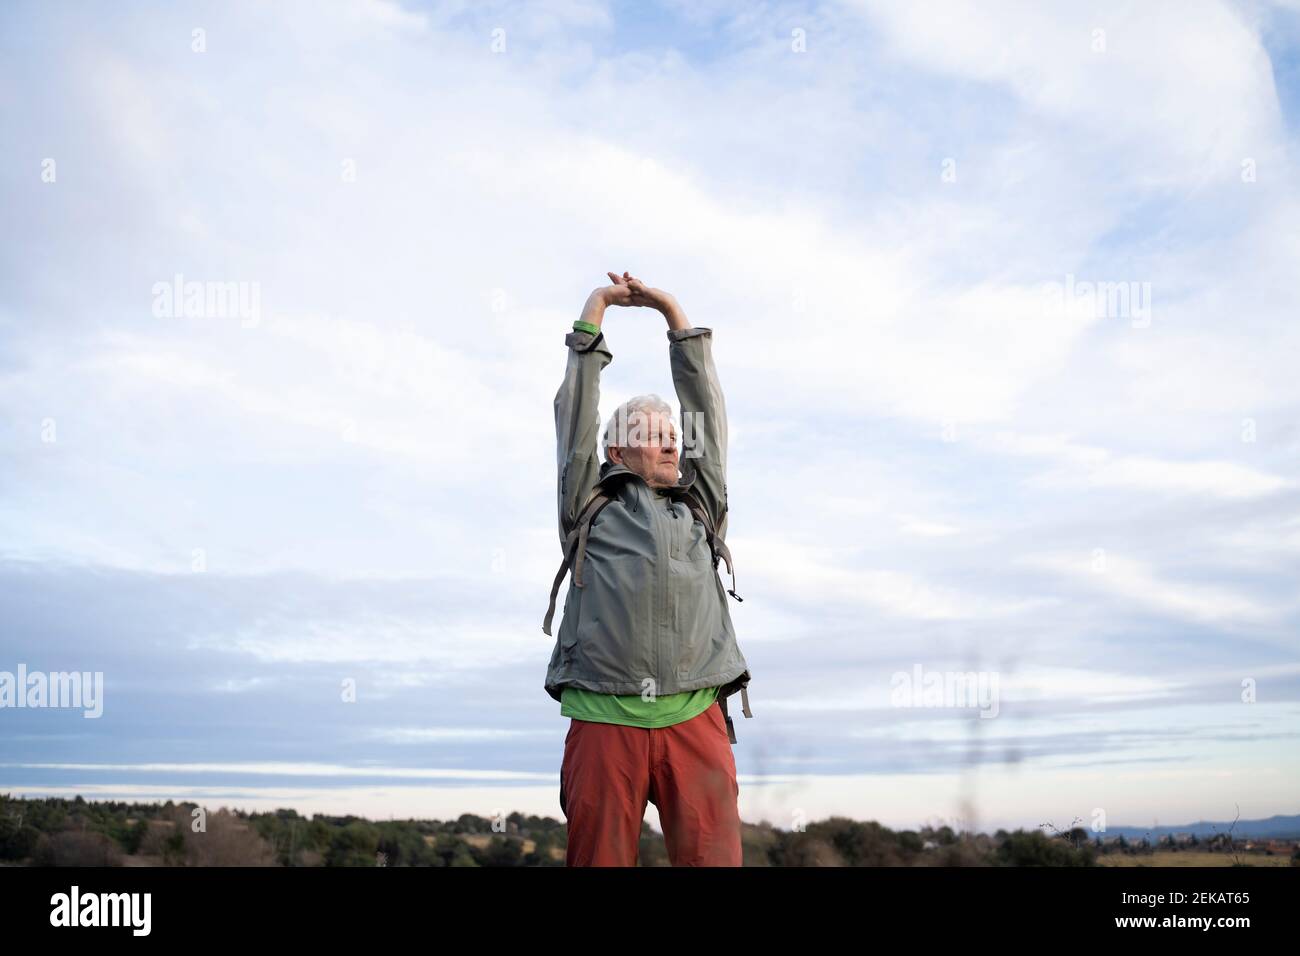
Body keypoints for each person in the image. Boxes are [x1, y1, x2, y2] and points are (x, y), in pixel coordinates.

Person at [543, 271, 752, 866]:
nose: (672, 445)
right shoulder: (588, 505)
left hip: (695, 717)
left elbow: (706, 412)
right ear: (616, 453)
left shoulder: (700, 509)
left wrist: (672, 313)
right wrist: (597, 307)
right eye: (653, 436)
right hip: (604, 721)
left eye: (673, 436)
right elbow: (575, 417)